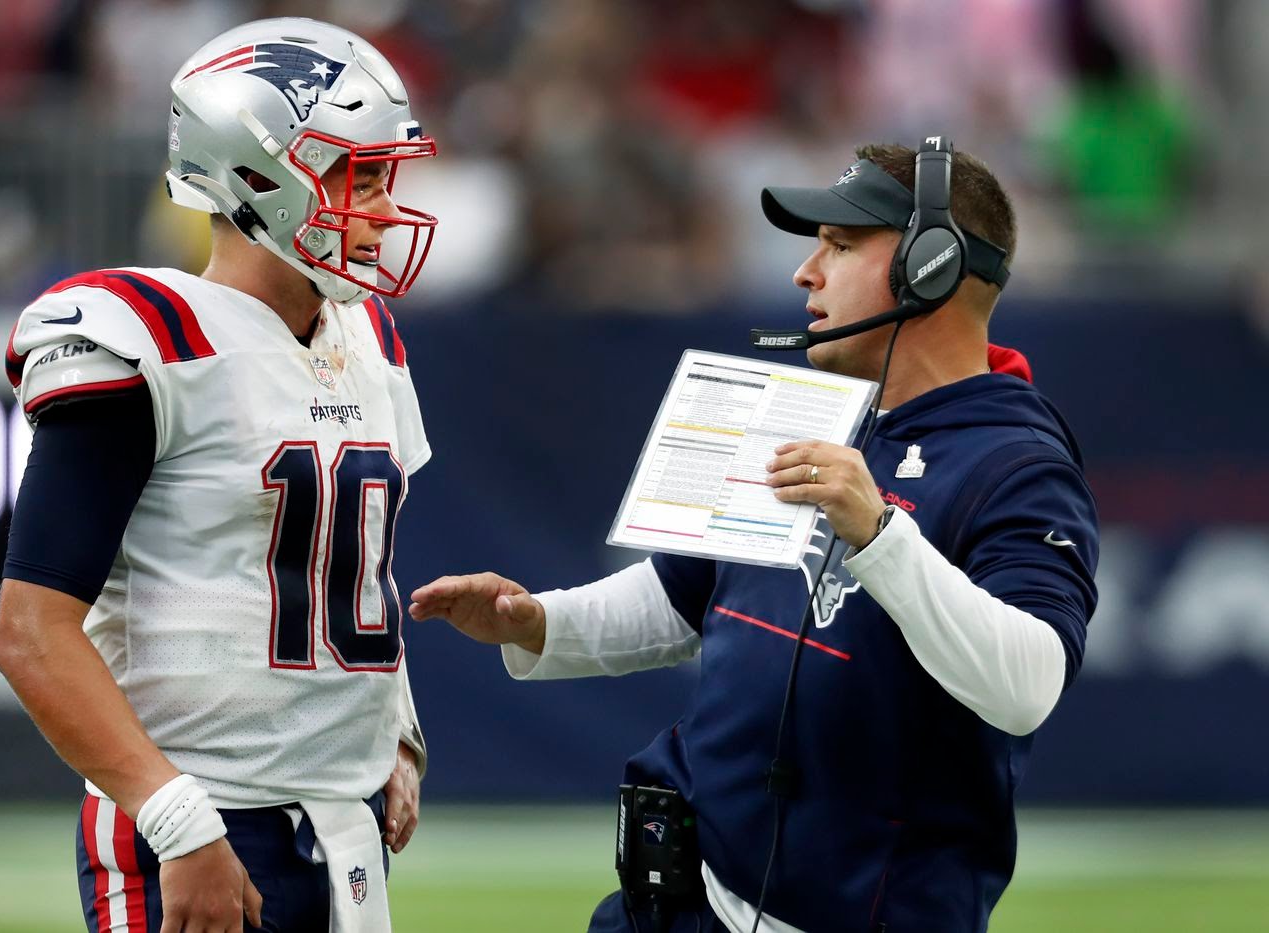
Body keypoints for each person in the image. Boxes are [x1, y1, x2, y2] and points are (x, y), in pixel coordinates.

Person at [411, 143, 1098, 932]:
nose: (806, 272)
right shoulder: (811, 408)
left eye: (839, 246)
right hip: (684, 897)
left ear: (929, 266)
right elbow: (687, 594)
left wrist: (880, 535)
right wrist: (541, 621)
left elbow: (1029, 686)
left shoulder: (1018, 462)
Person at [0, 18, 439, 933]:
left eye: (386, 178)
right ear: (258, 178)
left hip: (344, 830)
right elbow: (31, 633)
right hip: (195, 819)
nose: (386, 210)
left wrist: (393, 725)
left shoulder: (368, 338)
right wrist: (179, 822)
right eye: (358, 177)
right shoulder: (146, 338)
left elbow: (351, 572)